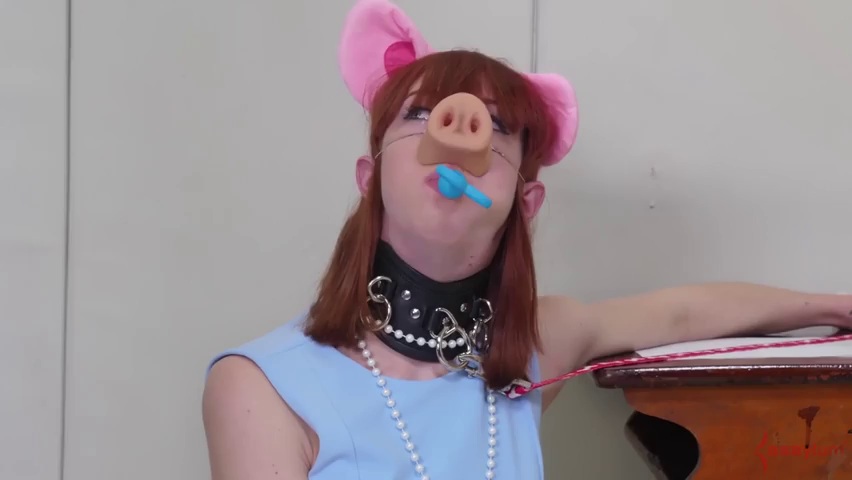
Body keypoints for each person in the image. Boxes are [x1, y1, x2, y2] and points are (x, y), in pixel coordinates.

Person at [201, 1, 852, 479]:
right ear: (370, 179)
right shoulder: (258, 387)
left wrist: (829, 307)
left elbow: (683, 314)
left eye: (497, 126)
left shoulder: (535, 346)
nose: (458, 135)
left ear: (525, 201)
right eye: (419, 113)